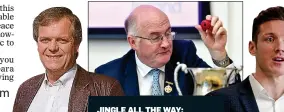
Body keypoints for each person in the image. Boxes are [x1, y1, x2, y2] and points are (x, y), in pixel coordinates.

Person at [95, 5, 235, 96]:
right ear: (133, 42)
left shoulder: (184, 55)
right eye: (155, 38)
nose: (166, 44)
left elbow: (226, 94)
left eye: (168, 33)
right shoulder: (108, 77)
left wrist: (219, 53)